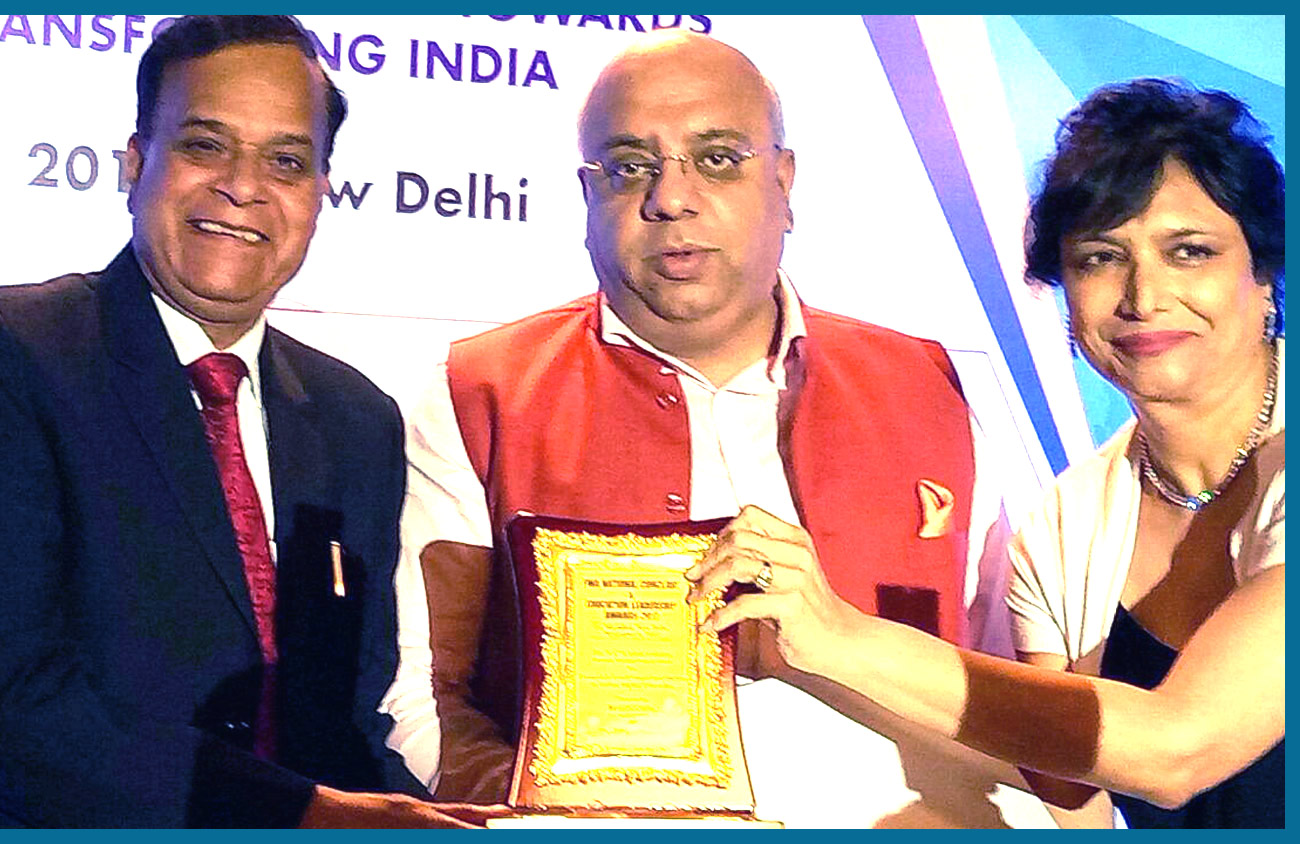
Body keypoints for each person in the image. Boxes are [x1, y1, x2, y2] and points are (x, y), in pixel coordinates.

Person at [0, 15, 503, 828]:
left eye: (287, 161)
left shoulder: (354, 420)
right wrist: (308, 815)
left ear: (321, 193)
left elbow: (344, 720)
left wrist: (462, 821)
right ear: (134, 163)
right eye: (205, 145)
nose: (243, 186)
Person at [380, 31, 1027, 825]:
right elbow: (424, 696)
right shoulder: (482, 392)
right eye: (630, 167)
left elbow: (1017, 698)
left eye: (718, 159)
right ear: (587, 197)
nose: (672, 198)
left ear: (783, 184)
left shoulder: (928, 388)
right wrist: (546, 822)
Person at [689, 78, 1284, 829]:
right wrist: (787, 656)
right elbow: (1066, 786)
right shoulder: (1063, 527)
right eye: (1100, 258)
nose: (1144, 296)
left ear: (1264, 275)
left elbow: (1176, 751)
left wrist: (840, 634)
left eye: (1190, 252)